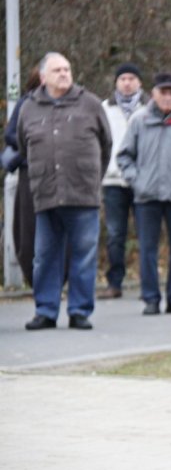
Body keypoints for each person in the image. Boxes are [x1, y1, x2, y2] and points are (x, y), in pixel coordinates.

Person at [17, 52, 112, 330]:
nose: (64, 74)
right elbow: (24, 147)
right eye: (57, 70)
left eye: (67, 69)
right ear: (43, 76)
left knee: (84, 253)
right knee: (45, 255)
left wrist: (92, 178)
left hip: (83, 194)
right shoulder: (28, 108)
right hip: (45, 194)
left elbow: (106, 145)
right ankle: (45, 310)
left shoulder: (91, 104)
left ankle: (79, 311)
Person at [116, 72, 171, 316]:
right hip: (147, 197)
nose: (167, 97)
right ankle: (151, 299)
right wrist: (137, 181)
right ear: (153, 94)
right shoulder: (140, 120)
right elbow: (124, 155)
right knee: (148, 249)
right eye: (162, 92)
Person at [97, 63, 149, 299]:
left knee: (145, 233)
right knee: (116, 234)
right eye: (122, 79)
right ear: (116, 83)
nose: (127, 82)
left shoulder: (151, 108)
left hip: (143, 180)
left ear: (139, 82)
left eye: (131, 78)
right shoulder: (104, 108)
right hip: (113, 180)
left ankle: (148, 284)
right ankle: (114, 283)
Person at [2, 65, 42, 286]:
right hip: (30, 170)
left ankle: (56, 278)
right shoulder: (26, 103)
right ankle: (33, 277)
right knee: (27, 229)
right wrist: (37, 142)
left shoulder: (72, 103)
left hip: (62, 174)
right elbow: (10, 134)